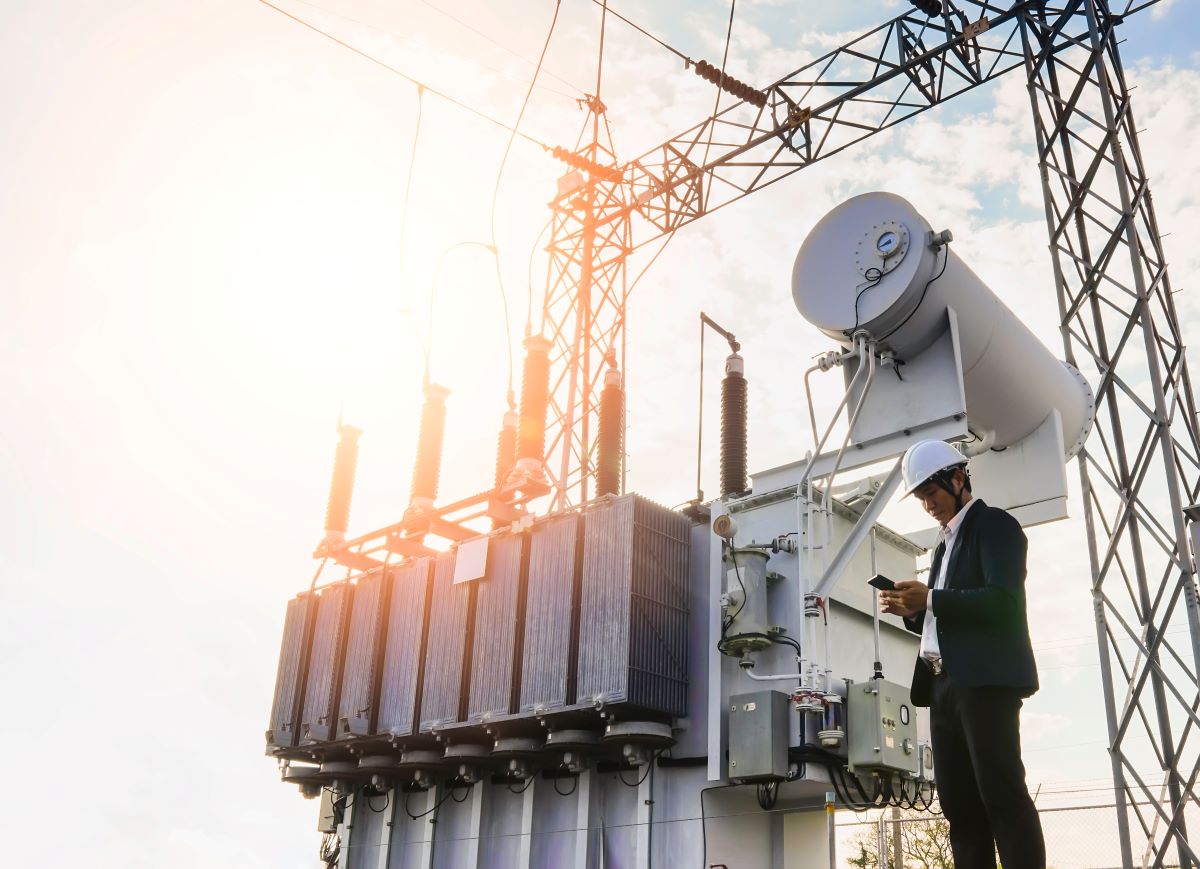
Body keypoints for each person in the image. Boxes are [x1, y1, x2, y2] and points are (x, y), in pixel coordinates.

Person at [880, 439, 1046, 869]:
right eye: (921, 499)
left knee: (1002, 797)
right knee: (960, 810)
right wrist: (912, 610)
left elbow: (1004, 602)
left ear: (958, 479)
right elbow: (947, 615)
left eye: (931, 494)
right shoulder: (943, 545)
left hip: (984, 683)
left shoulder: (995, 526)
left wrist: (931, 598)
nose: (927, 506)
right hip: (941, 686)